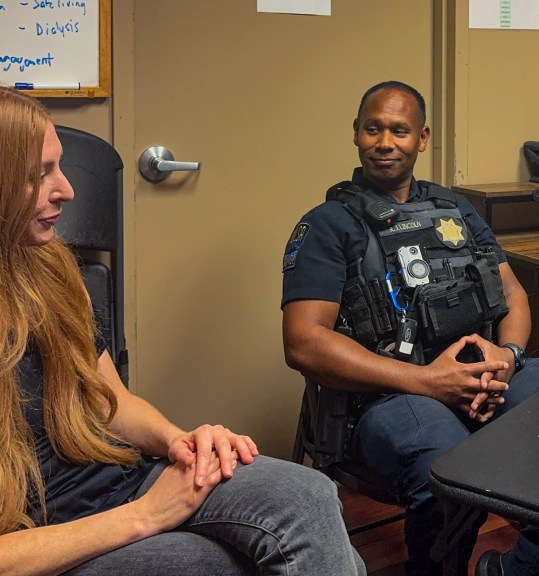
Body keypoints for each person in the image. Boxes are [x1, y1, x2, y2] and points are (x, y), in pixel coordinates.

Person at [0, 87, 366, 576]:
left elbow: (110, 399)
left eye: (59, 166)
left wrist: (178, 442)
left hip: (119, 482)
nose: (66, 189)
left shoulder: (51, 269)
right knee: (223, 563)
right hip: (45, 538)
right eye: (37, 175)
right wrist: (146, 517)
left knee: (309, 496)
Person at [281, 81, 539, 576]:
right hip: (386, 396)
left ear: (422, 138)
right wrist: (428, 381)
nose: (385, 142)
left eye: (400, 130)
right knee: (449, 462)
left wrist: (509, 357)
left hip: (481, 375)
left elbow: (513, 294)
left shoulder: (456, 209)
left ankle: (523, 569)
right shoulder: (328, 224)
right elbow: (303, 342)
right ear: (356, 134)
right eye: (373, 128)